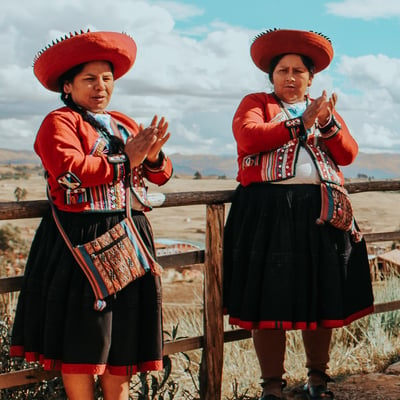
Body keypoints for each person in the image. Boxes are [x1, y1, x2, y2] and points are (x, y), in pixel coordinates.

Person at [10, 30, 173, 400]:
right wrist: (126, 160)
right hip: (81, 237)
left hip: (130, 235)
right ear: (67, 86)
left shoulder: (122, 122)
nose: (100, 86)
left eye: (106, 78)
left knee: (122, 338)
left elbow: (161, 174)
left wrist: (151, 156)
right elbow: (70, 169)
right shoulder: (59, 122)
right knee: (84, 337)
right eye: (89, 79)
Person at [223, 29, 374, 400]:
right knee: (268, 300)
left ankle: (317, 379)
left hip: (319, 215)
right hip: (267, 214)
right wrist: (302, 122)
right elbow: (250, 138)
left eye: (298, 71)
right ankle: (272, 386)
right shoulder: (256, 103)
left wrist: (324, 122)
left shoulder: (322, 112)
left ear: (311, 78)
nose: (290, 77)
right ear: (271, 77)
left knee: (320, 295)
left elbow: (348, 154)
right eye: (282, 71)